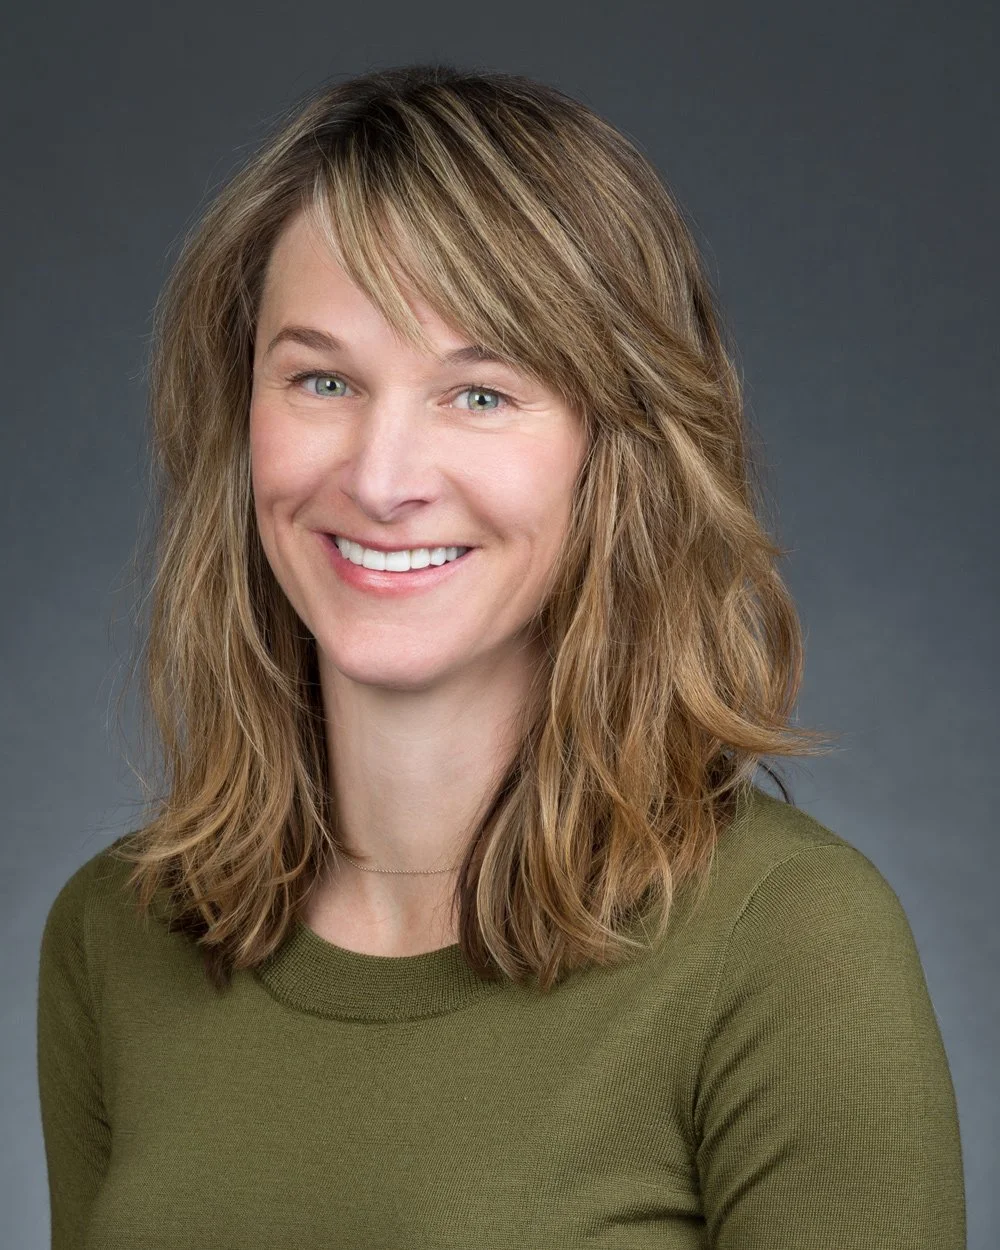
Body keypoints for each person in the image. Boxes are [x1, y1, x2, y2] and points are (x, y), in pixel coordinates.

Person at [36, 63, 965, 1249]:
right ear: (240, 417)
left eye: (477, 394)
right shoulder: (115, 936)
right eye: (322, 378)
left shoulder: (788, 942)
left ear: (615, 451)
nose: (381, 479)